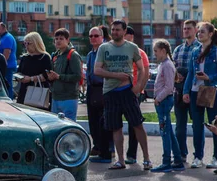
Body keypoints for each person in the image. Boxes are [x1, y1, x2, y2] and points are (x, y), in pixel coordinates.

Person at [95, 20, 151, 170]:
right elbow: (97, 70)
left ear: (124, 31)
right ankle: (120, 160)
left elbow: (141, 69)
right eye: (113, 30)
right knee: (115, 127)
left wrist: (138, 87)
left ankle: (146, 158)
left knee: (137, 125)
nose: (114, 32)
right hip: (110, 93)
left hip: (127, 92)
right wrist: (116, 75)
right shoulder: (104, 48)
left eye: (118, 30)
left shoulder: (132, 48)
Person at [182, 21, 217, 169]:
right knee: (197, 125)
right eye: (199, 31)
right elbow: (190, 73)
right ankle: (198, 157)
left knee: (214, 124)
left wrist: (209, 77)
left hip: (210, 91)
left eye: (202, 31)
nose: (199, 34)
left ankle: (215, 158)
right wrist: (186, 91)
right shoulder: (195, 51)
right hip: (195, 91)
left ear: (210, 34)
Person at [150, 40, 185, 172]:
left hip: (164, 101)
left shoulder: (167, 65)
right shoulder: (163, 65)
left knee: (164, 132)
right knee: (168, 131)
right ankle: (177, 160)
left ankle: (166, 162)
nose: (155, 54)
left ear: (163, 51)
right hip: (162, 101)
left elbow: (169, 87)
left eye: (156, 51)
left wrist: (158, 99)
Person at [173, 20, 200, 162]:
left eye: (189, 28)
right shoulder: (178, 49)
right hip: (179, 91)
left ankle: (198, 156)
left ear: (196, 30)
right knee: (180, 125)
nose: (186, 31)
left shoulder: (201, 48)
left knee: (197, 125)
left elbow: (202, 69)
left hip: (195, 91)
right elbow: (172, 67)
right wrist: (177, 74)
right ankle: (181, 154)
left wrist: (188, 73)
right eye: (184, 29)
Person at [124, 26, 150, 165]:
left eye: (126, 35)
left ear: (132, 37)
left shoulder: (139, 52)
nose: (124, 37)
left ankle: (132, 155)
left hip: (134, 92)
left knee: (134, 124)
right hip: (120, 91)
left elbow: (146, 73)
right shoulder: (119, 52)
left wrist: (138, 89)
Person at [87, 26, 113, 163]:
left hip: (103, 88)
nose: (93, 39)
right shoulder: (90, 54)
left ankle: (107, 151)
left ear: (102, 37)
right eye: (91, 36)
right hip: (92, 90)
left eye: (96, 36)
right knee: (93, 122)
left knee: (103, 122)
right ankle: (98, 148)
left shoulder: (105, 51)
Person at [47, 28, 83, 121]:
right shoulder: (56, 55)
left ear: (67, 40)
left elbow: (78, 76)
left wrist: (59, 76)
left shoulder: (73, 55)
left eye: (61, 38)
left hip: (69, 97)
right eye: (56, 38)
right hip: (56, 97)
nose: (58, 41)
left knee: (69, 125)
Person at [15, 32, 52, 106]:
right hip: (24, 90)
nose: (26, 46)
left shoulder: (44, 57)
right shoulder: (24, 57)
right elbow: (19, 72)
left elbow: (47, 75)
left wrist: (31, 79)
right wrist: (19, 77)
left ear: (36, 43)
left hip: (39, 90)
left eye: (29, 43)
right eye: (25, 43)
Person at [0, 22, 17, 99]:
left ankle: (9, 100)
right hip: (6, 66)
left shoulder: (7, 37)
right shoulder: (1, 37)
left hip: (8, 66)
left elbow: (7, 52)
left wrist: (2, 64)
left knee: (7, 85)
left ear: (4, 28)